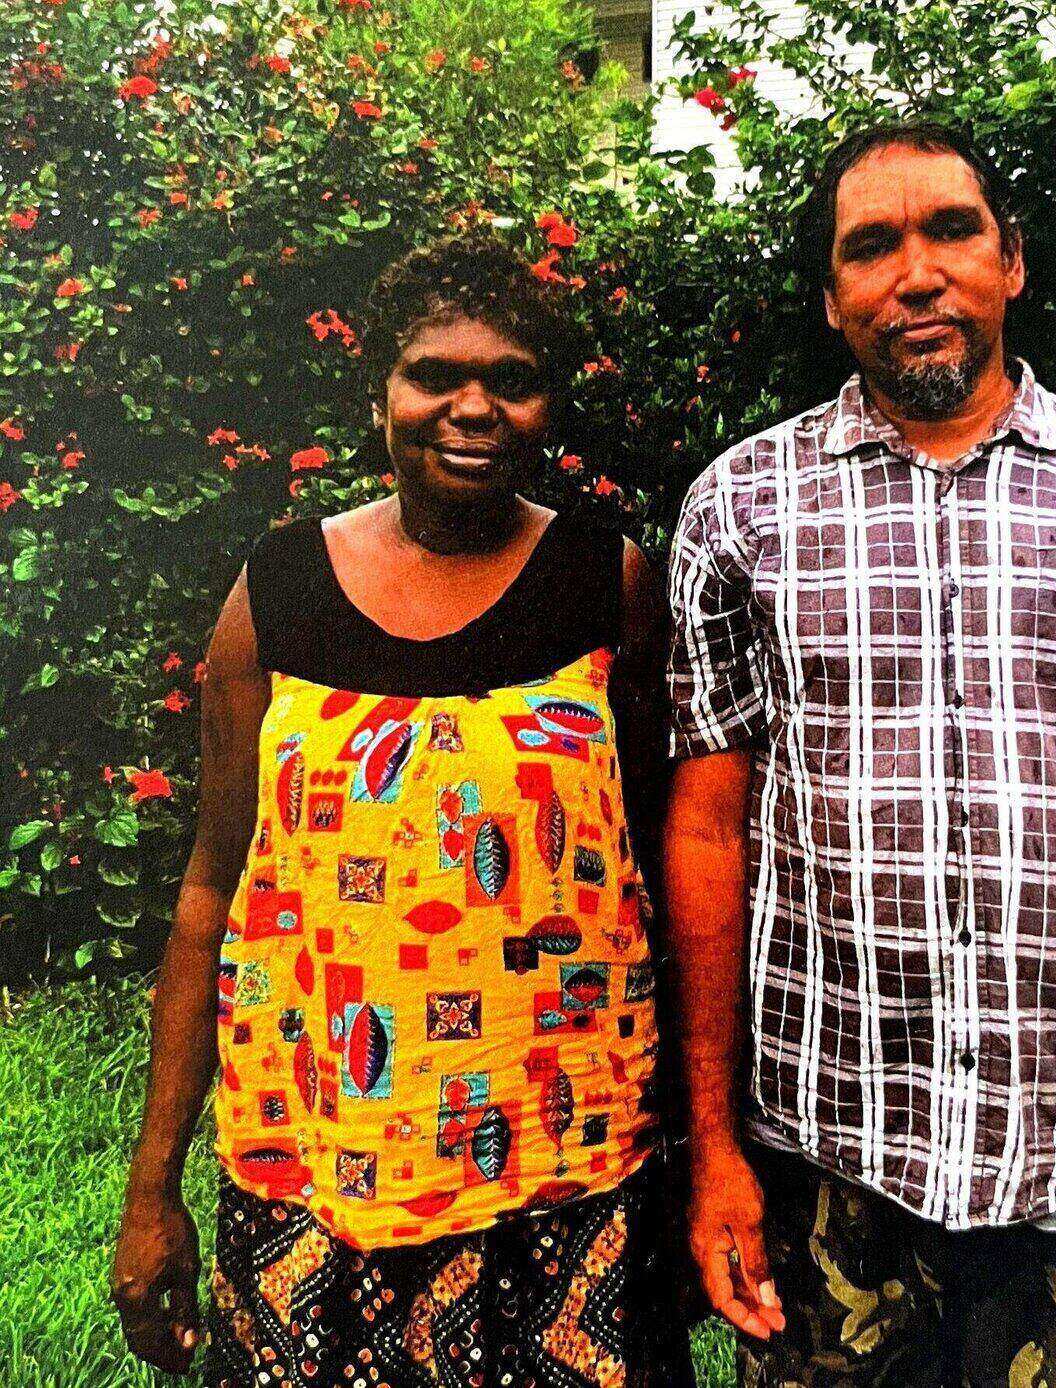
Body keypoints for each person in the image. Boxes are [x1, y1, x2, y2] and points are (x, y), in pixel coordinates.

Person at [663, 122, 1056, 1386]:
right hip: (824, 1148)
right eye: (871, 246)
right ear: (832, 296)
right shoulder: (738, 505)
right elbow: (706, 827)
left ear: (1009, 261)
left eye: (950, 231)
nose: (915, 273)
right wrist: (714, 1146)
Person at [111, 230, 693, 1387]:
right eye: (436, 374)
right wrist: (151, 1186)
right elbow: (205, 892)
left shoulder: (605, 583)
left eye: (511, 379)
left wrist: (698, 1149)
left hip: (563, 1168)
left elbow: (661, 876)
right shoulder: (278, 591)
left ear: (547, 405)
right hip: (322, 1163)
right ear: (380, 391)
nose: (472, 406)